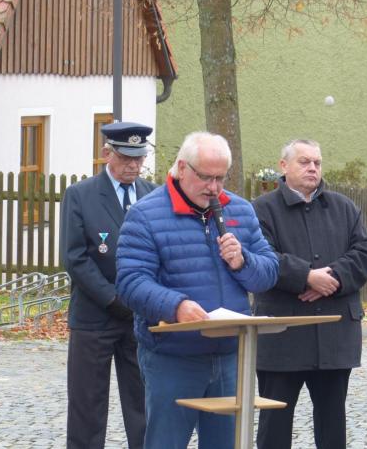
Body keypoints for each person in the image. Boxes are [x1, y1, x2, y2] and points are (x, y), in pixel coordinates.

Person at [115, 131, 279, 449]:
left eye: (221, 178)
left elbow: (269, 273)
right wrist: (176, 306)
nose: (214, 188)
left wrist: (243, 261)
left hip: (233, 355)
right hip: (173, 356)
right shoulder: (146, 215)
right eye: (206, 177)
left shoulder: (241, 211)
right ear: (181, 167)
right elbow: (131, 282)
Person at [252, 139, 367, 449]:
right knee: (274, 425)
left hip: (335, 334)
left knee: (332, 425)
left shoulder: (343, 207)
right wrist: (305, 276)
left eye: (317, 163)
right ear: (284, 166)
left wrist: (332, 277)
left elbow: (365, 251)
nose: (312, 168)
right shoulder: (262, 209)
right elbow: (260, 255)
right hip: (282, 336)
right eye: (304, 162)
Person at [60, 121, 157, 449]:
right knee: (87, 405)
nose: (134, 165)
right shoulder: (81, 195)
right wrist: (113, 299)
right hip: (94, 316)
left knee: (143, 402)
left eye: (139, 158)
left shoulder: (151, 195)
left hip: (140, 317)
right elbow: (75, 258)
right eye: (127, 157)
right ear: (107, 154)